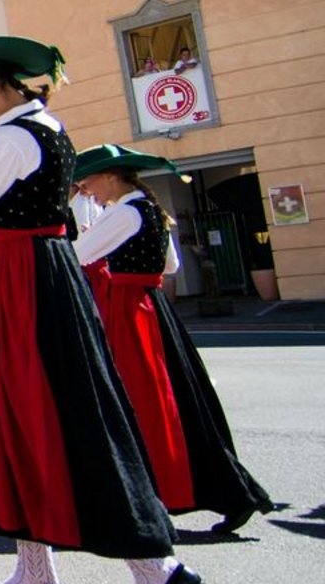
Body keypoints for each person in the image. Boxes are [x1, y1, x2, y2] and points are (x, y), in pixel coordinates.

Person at [0, 35, 198, 584]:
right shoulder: (43, 126)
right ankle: (36, 567)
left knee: (54, 412)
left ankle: (155, 567)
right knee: (42, 412)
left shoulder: (6, 139)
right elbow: (2, 186)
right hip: (45, 269)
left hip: (25, 279)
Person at [74, 144, 273, 535]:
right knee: (179, 403)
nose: (86, 190)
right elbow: (171, 266)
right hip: (153, 310)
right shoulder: (149, 210)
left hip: (128, 315)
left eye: (89, 181)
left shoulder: (124, 214)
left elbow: (77, 256)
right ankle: (227, 492)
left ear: (112, 176)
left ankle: (148, 496)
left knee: (139, 405)